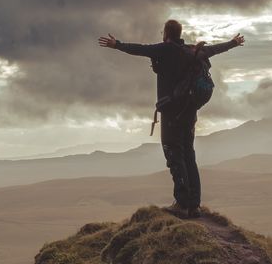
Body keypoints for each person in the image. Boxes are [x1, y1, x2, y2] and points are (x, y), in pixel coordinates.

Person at [99, 19, 244, 218]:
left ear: (166, 33)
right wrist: (233, 42)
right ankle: (194, 205)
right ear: (180, 33)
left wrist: (117, 45)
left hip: (171, 112)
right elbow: (215, 49)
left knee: (174, 155)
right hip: (190, 111)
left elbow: (140, 49)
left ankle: (182, 204)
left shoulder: (165, 49)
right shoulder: (193, 51)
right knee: (188, 156)